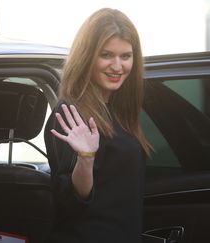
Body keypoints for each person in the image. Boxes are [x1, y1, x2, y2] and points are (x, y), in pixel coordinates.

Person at [44, 8, 152, 243]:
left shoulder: (120, 111)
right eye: (106, 55)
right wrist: (86, 158)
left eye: (125, 56)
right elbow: (71, 201)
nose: (117, 66)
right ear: (87, 56)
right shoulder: (71, 114)